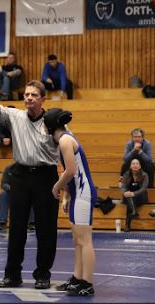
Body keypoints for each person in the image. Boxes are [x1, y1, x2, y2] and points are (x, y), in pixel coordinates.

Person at [0, 61, 60, 290]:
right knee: (17, 227)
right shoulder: (14, 116)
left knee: (46, 229)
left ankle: (43, 274)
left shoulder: (53, 121)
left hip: (46, 177)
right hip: (20, 175)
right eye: (27, 94)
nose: (29, 98)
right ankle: (12, 274)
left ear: (43, 99)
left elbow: (69, 146)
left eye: (34, 95)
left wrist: (65, 182)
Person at [44, 108, 96, 296]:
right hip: (77, 193)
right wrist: (67, 196)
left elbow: (71, 171)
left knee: (85, 240)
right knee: (77, 240)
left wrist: (57, 187)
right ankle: (77, 278)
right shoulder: (64, 139)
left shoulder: (65, 140)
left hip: (83, 193)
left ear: (50, 126)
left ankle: (87, 283)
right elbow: (72, 171)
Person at [0, 164, 35, 232]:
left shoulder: (30, 170)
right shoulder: (8, 168)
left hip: (26, 194)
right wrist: (12, 188)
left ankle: (32, 223)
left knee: (33, 195)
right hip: (12, 193)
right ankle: (2, 222)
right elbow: (3, 184)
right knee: (3, 194)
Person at [120, 159, 149, 232]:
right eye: (133, 163)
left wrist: (133, 194)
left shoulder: (144, 175)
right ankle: (133, 212)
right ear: (130, 166)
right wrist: (125, 192)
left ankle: (127, 225)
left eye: (137, 164)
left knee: (130, 199)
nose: (135, 165)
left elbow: (143, 189)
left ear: (140, 166)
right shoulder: (126, 174)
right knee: (129, 199)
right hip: (128, 196)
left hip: (141, 197)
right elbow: (123, 186)